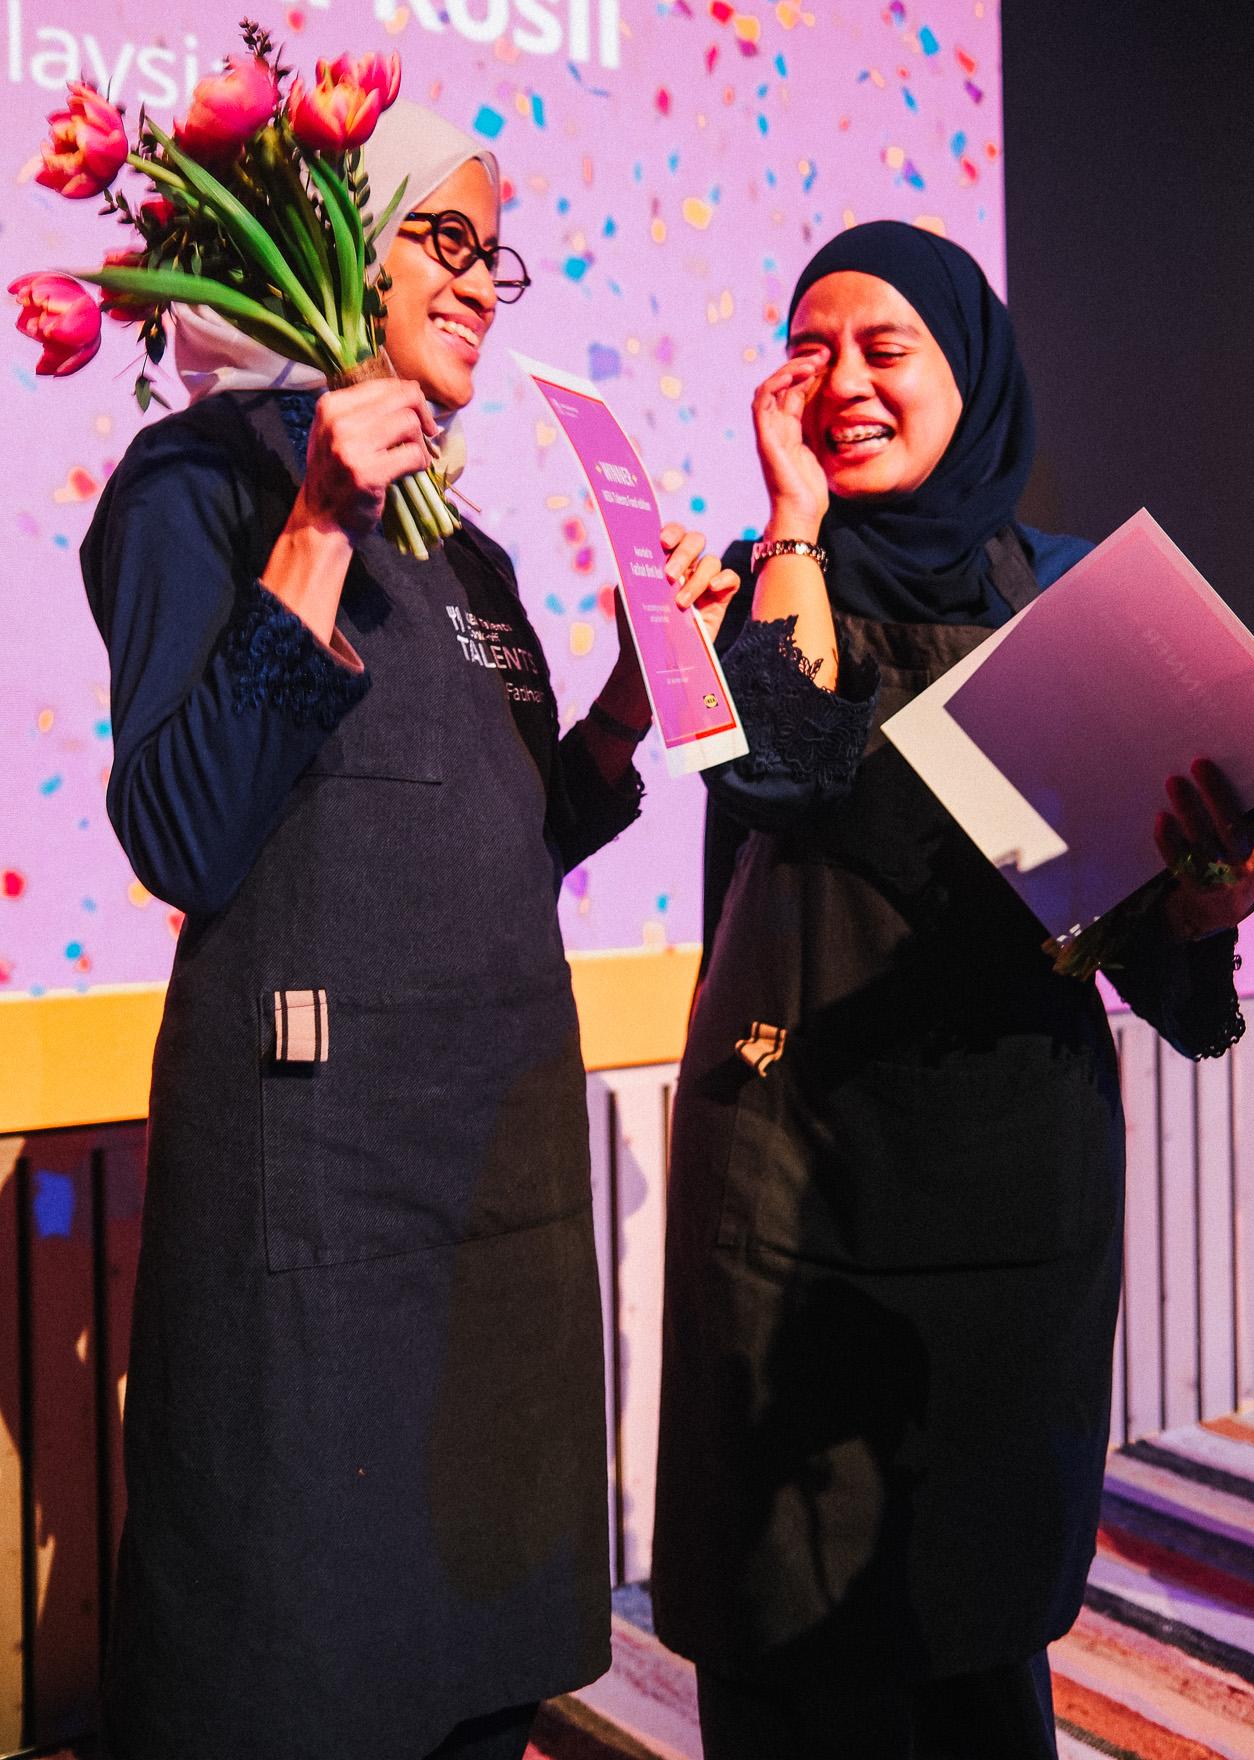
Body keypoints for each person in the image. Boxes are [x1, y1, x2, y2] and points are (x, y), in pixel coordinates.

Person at [80, 101, 739, 1760]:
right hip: (313, 1196)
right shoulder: (198, 484)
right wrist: (315, 524)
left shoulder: (479, 554)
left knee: (476, 1666)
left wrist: (629, 697)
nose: (475, 282)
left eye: (491, 252)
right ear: (333, 239)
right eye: (439, 236)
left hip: (496, 1196)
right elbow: (180, 831)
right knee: (295, 1671)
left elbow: (508, 838)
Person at [650, 222, 1254, 1760]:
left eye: (885, 348)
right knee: (788, 1630)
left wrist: (1209, 900)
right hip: (786, 1188)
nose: (842, 381)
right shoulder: (742, 585)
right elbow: (783, 773)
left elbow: (1162, 971)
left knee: (971, 1629)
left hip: (1006, 1196)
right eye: (809, 348)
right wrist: (792, 523)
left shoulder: (1068, 602)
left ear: (970, 371)